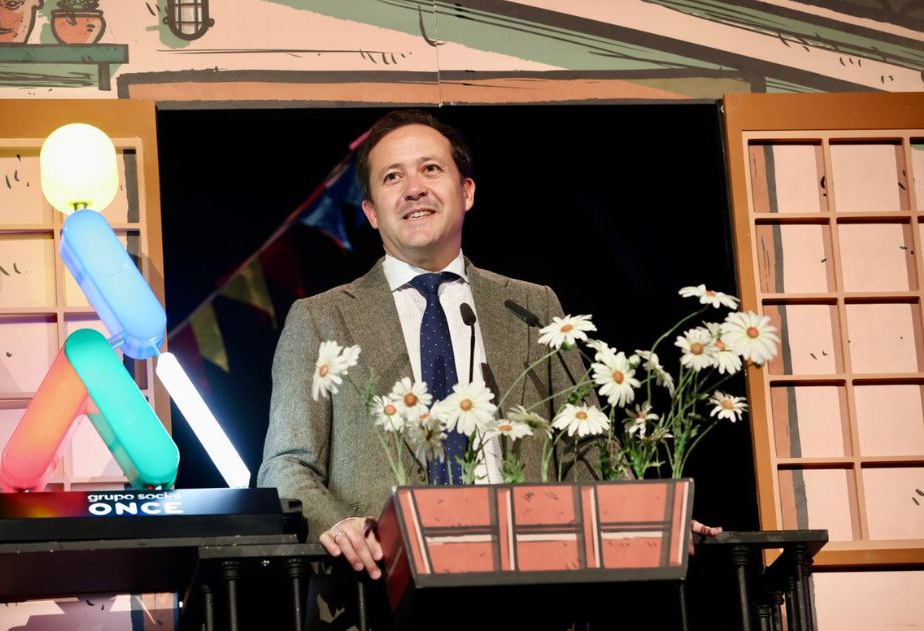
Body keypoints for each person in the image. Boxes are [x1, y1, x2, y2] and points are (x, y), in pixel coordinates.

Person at [257, 110, 720, 589]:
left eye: (431, 169)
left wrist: (648, 517)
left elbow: (589, 447)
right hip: (379, 590)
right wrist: (338, 524)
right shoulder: (319, 318)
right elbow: (286, 465)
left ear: (467, 192)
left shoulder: (532, 305)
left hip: (528, 586)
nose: (414, 187)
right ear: (372, 212)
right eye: (393, 177)